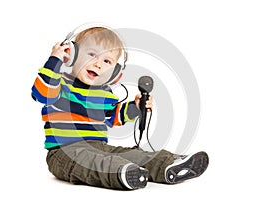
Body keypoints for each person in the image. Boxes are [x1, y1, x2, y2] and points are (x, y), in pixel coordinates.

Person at [31, 26, 209, 190]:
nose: (98, 64)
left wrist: (136, 107)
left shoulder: (105, 93)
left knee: (129, 154)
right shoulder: (59, 83)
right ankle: (121, 173)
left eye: (106, 61)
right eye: (91, 54)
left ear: (115, 73)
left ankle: (166, 164)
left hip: (98, 146)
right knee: (94, 162)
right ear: (72, 54)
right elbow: (42, 93)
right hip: (64, 151)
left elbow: (114, 116)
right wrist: (55, 60)